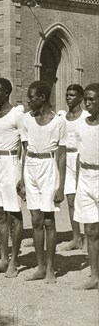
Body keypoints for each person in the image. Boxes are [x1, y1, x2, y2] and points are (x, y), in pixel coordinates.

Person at [18, 81, 66, 284]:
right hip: (30, 167)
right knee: (35, 220)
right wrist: (21, 178)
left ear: (43, 98)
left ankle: (51, 269)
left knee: (48, 221)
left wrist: (61, 186)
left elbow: (62, 156)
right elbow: (24, 151)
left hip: (48, 167)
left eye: (32, 97)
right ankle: (39, 267)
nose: (28, 100)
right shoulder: (25, 120)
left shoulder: (58, 122)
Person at [0, 78, 26, 278]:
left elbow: (26, 147)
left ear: (7, 92)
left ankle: (15, 261)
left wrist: (23, 177)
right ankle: (3, 259)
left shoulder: (18, 115)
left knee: (14, 213)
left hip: (11, 164)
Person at [73, 83, 99, 290]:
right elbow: (78, 155)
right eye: (86, 100)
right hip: (85, 176)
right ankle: (94, 277)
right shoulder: (81, 125)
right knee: (90, 229)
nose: (87, 103)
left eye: (92, 99)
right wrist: (77, 182)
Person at [61, 84, 88, 250]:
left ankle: (89, 238)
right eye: (67, 95)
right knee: (71, 200)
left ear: (80, 98)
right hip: (66, 158)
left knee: (83, 199)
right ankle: (76, 237)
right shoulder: (62, 117)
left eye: (72, 95)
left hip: (81, 159)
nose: (68, 98)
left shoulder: (86, 116)